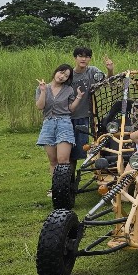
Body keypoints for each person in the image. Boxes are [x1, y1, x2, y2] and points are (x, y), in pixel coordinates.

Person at [35, 64, 85, 195]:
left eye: (66, 76)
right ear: (56, 72)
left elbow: (70, 109)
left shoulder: (68, 90)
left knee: (63, 159)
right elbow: (40, 106)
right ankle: (55, 188)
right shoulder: (42, 87)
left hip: (64, 123)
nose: (62, 76)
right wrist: (43, 91)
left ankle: (65, 189)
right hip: (48, 124)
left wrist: (79, 97)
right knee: (53, 161)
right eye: (61, 72)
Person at [68, 47, 115, 167]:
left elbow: (107, 81)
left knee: (81, 150)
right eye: (80, 56)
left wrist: (110, 70)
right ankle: (68, 177)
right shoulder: (69, 74)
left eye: (87, 56)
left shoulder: (92, 71)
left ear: (90, 59)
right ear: (75, 58)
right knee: (67, 151)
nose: (83, 59)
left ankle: (80, 173)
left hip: (84, 116)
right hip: (67, 117)